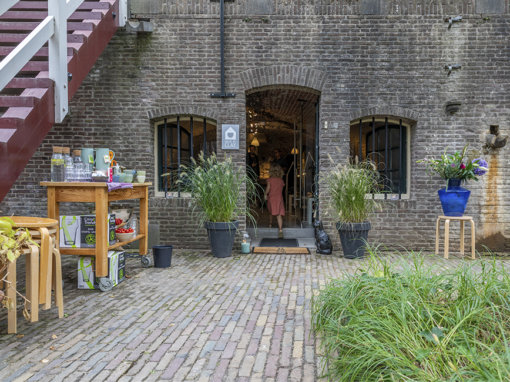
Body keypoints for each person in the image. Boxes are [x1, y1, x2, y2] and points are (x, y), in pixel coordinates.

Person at [265, 164, 285, 237]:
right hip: (279, 198)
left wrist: (265, 194)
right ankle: (280, 230)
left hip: (272, 198)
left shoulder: (269, 180)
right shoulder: (281, 180)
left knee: (271, 211)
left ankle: (270, 224)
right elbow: (281, 189)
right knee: (279, 214)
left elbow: (268, 189)